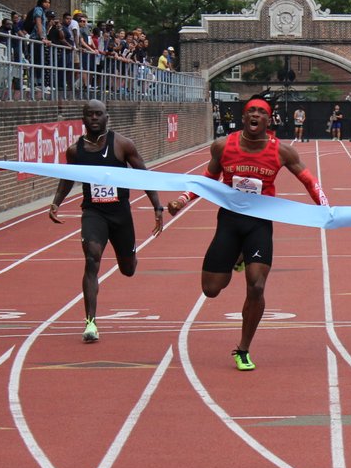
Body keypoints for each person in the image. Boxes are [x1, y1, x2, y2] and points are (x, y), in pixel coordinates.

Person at [166, 95, 330, 371]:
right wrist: (182, 200)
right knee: (211, 289)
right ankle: (236, 257)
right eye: (250, 111)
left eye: (261, 112)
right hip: (230, 221)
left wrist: (325, 207)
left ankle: (243, 348)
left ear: (268, 119)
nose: (255, 115)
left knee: (256, 285)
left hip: (260, 222)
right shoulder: (223, 146)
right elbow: (207, 180)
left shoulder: (281, 151)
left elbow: (309, 180)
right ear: (244, 118)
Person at [48, 100, 163, 343]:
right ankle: (90, 322)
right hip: (93, 212)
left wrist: (157, 206)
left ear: (106, 117)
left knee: (128, 269)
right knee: (92, 257)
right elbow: (68, 179)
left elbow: (143, 173)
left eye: (98, 114)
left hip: (120, 214)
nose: (94, 118)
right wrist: (57, 202)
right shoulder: (74, 150)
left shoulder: (122, 145)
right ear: (83, 119)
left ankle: (130, 255)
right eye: (89, 115)